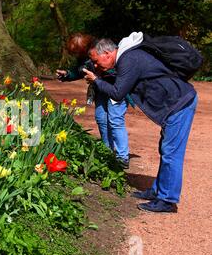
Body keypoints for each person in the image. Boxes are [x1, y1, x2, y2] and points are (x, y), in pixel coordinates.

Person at [84, 32, 198, 213]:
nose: (96, 65)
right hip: (173, 105)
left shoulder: (128, 59)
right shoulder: (128, 57)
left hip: (179, 104)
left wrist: (96, 80)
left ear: (108, 53)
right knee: (165, 149)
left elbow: (118, 93)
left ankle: (167, 200)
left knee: (171, 153)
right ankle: (157, 191)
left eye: (97, 61)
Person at [57, 33, 130, 168]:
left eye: (77, 53)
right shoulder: (85, 58)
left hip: (116, 88)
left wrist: (98, 75)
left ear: (84, 48)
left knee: (115, 119)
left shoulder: (100, 49)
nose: (76, 56)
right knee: (101, 118)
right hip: (100, 89)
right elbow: (81, 70)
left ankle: (122, 157)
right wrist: (67, 74)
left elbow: (119, 69)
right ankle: (107, 151)